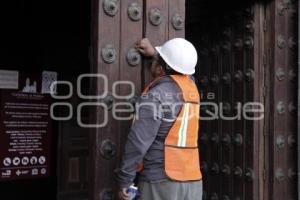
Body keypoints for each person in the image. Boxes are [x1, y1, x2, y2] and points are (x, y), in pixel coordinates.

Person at [115, 38, 202, 200]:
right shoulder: (193, 90)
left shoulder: (156, 96)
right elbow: (181, 69)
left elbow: (138, 143)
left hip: (161, 182)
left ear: (160, 69)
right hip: (192, 181)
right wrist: (156, 54)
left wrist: (125, 181)